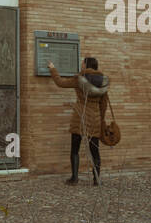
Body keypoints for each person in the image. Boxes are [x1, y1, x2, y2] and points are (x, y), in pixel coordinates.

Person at [47, 55, 110, 185]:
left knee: (75, 148)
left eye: (82, 64)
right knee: (95, 150)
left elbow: (60, 83)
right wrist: (101, 119)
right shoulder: (103, 82)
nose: (81, 65)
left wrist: (53, 69)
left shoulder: (79, 79)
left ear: (86, 65)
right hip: (95, 119)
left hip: (80, 117)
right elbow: (104, 105)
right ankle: (96, 179)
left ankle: (74, 178)